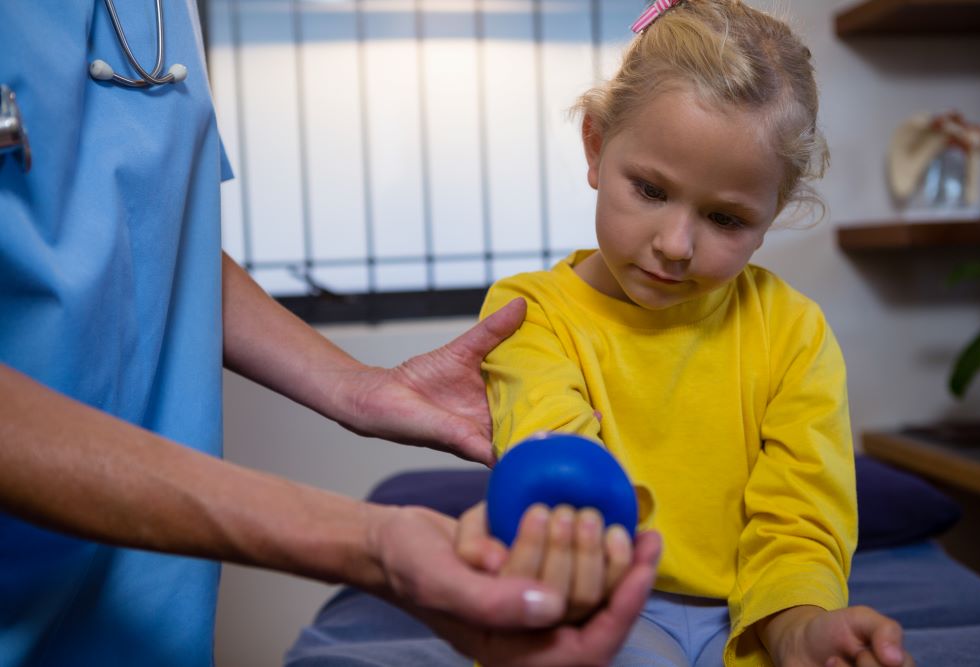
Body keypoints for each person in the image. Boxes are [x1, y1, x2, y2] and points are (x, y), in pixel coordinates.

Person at [0, 2, 660, 666]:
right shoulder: (538, 306)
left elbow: (155, 236)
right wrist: (370, 542)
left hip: (143, 604)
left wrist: (357, 388)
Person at [461, 1, 917, 665]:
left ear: (773, 212)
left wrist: (797, 626)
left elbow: (800, 517)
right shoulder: (528, 313)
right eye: (650, 190)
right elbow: (562, 476)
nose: (676, 245)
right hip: (593, 594)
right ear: (595, 145)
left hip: (754, 615)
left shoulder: (795, 332)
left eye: (725, 219)